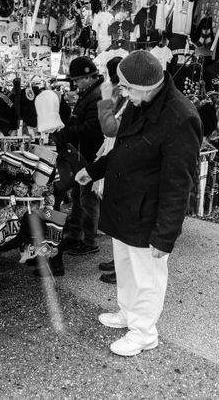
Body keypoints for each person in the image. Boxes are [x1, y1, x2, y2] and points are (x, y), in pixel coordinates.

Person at [75, 50, 202, 357]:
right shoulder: (140, 101)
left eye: (126, 88)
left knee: (149, 276)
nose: (123, 94)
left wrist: (165, 235)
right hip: (125, 204)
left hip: (149, 211)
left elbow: (179, 184)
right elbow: (123, 147)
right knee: (126, 266)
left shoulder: (181, 117)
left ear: (144, 87)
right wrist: (93, 171)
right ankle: (128, 314)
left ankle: (144, 332)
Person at [51, 56, 105, 257]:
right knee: (78, 195)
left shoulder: (97, 95)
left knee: (87, 197)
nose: (75, 84)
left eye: (77, 80)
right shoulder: (91, 92)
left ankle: (89, 240)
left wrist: (65, 133)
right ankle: (75, 236)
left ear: (88, 76)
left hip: (91, 153)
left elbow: (91, 127)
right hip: (84, 152)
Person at [94, 56, 126, 284]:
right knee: (115, 210)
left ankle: (122, 266)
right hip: (116, 152)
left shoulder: (128, 98)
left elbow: (110, 127)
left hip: (121, 155)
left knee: (119, 211)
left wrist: (106, 99)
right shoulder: (126, 96)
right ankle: (118, 261)